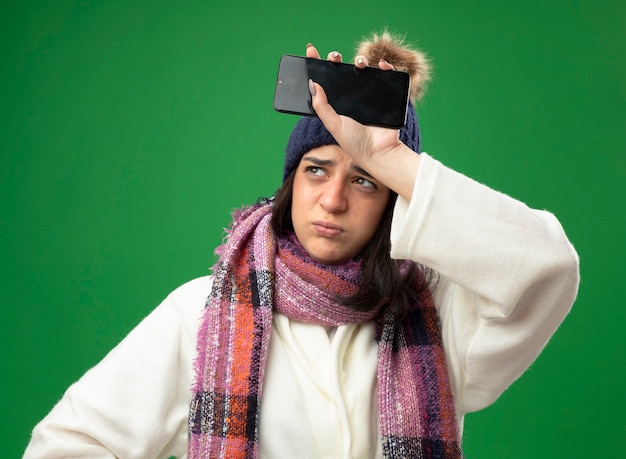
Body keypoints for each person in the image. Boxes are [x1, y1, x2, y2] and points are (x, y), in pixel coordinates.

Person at [23, 32, 580, 459]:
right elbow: (68, 443)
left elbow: (546, 267)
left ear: (395, 202)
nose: (333, 200)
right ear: (292, 184)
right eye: (316, 171)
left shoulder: (443, 314)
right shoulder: (199, 314)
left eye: (364, 180)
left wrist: (393, 159)